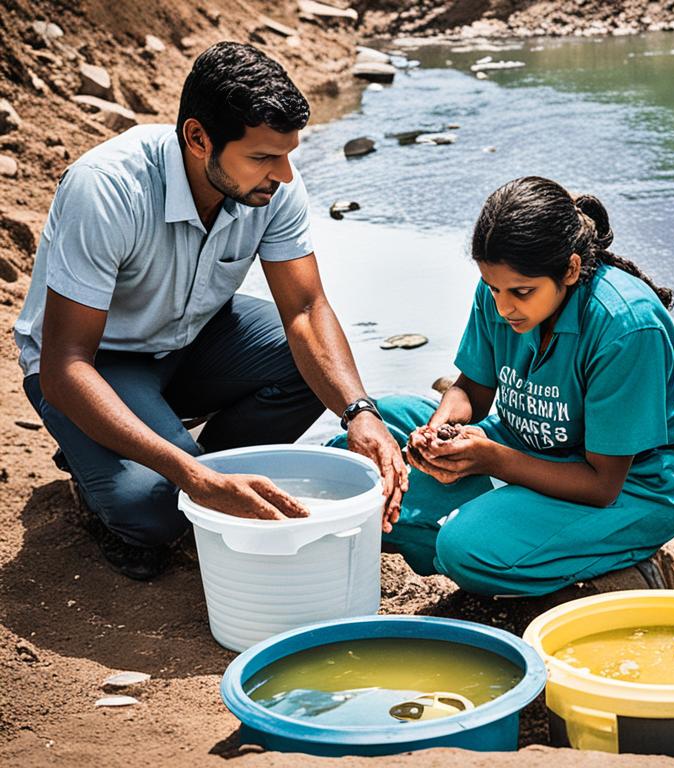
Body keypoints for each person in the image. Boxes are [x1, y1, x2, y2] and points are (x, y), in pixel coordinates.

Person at [13, 42, 406, 580]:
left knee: (306, 369)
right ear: (198, 138)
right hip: (97, 365)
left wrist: (361, 413)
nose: (285, 175)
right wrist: (192, 476)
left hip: (192, 343)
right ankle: (121, 476)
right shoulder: (107, 188)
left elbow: (307, 310)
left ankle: (173, 463)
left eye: (289, 154)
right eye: (264, 157)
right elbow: (65, 367)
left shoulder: (270, 183)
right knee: (156, 514)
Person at [328, 176, 674, 596]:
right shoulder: (503, 291)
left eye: (522, 292)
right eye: (493, 288)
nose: (504, 307)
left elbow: (601, 485)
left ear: (571, 270)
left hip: (631, 488)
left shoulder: (625, 327)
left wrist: (492, 460)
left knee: (464, 548)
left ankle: (617, 561)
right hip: (527, 449)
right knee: (364, 448)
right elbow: (472, 389)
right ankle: (517, 540)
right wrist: (440, 429)